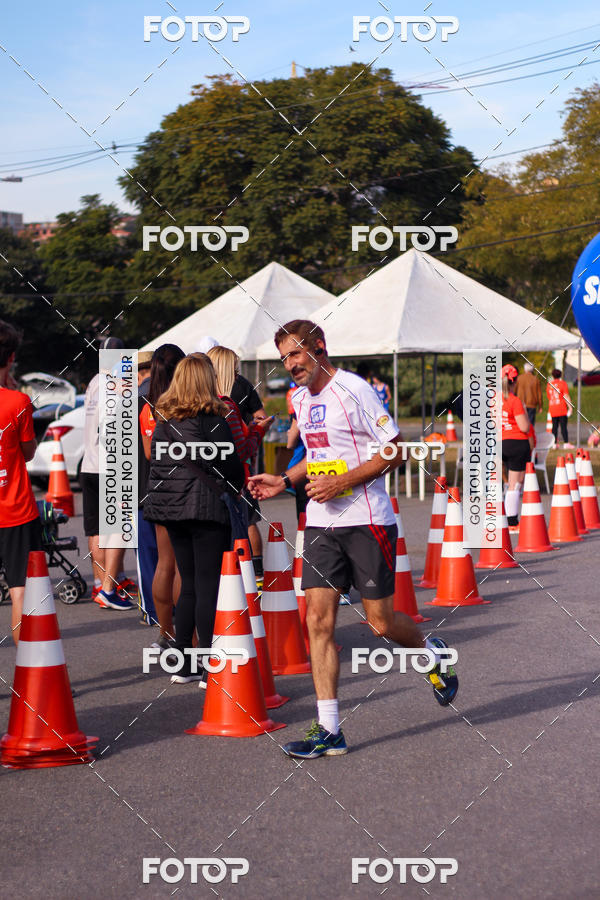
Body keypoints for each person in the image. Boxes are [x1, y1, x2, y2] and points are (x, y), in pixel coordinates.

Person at [248, 319, 458, 758]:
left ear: (319, 348)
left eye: (296, 354)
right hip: (322, 522)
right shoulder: (300, 399)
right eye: (284, 358)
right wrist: (284, 479)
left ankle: (431, 651)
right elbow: (318, 457)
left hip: (368, 520)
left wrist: (343, 479)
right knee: (318, 622)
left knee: (380, 623)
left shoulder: (356, 390)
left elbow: (394, 448)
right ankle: (330, 730)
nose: (291, 365)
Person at [143, 355, 245, 684]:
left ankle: (184, 662)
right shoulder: (214, 420)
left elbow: (157, 463)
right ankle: (206, 664)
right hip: (204, 509)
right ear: (206, 381)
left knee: (187, 584)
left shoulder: (163, 418)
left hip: (170, 510)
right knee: (207, 585)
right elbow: (232, 469)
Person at [80, 337, 137, 610]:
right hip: (110, 465)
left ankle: (100, 583)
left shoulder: (93, 383)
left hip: (88, 465)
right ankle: (109, 589)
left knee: (96, 529)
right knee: (118, 528)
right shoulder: (119, 384)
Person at [0, 320, 43, 644]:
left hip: (15, 512)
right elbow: (28, 453)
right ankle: (30, 678)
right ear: (11, 358)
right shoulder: (18, 403)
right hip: (15, 511)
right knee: (21, 592)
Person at [140, 345, 185, 648]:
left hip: (158, 488)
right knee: (184, 566)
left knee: (164, 563)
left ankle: (165, 632)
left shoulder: (149, 408)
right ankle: (186, 633)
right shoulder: (186, 405)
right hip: (185, 490)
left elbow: (149, 453)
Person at [135, 350, 158, 627]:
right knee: (171, 554)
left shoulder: (126, 403)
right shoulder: (168, 398)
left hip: (138, 488)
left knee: (147, 557)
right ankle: (174, 605)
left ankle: (152, 610)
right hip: (169, 487)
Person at [501, 364, 531, 526]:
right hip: (517, 443)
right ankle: (511, 520)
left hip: (500, 442)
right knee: (515, 484)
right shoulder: (515, 401)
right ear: (515, 381)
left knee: (502, 482)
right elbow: (524, 427)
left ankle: (501, 517)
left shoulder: (493, 401)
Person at [547, 368, 573, 447]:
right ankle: (566, 443)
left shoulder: (549, 384)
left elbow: (549, 397)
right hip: (561, 408)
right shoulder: (563, 383)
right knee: (563, 427)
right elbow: (566, 396)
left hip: (552, 407)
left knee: (554, 427)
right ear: (560, 375)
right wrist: (570, 407)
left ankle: (554, 444)